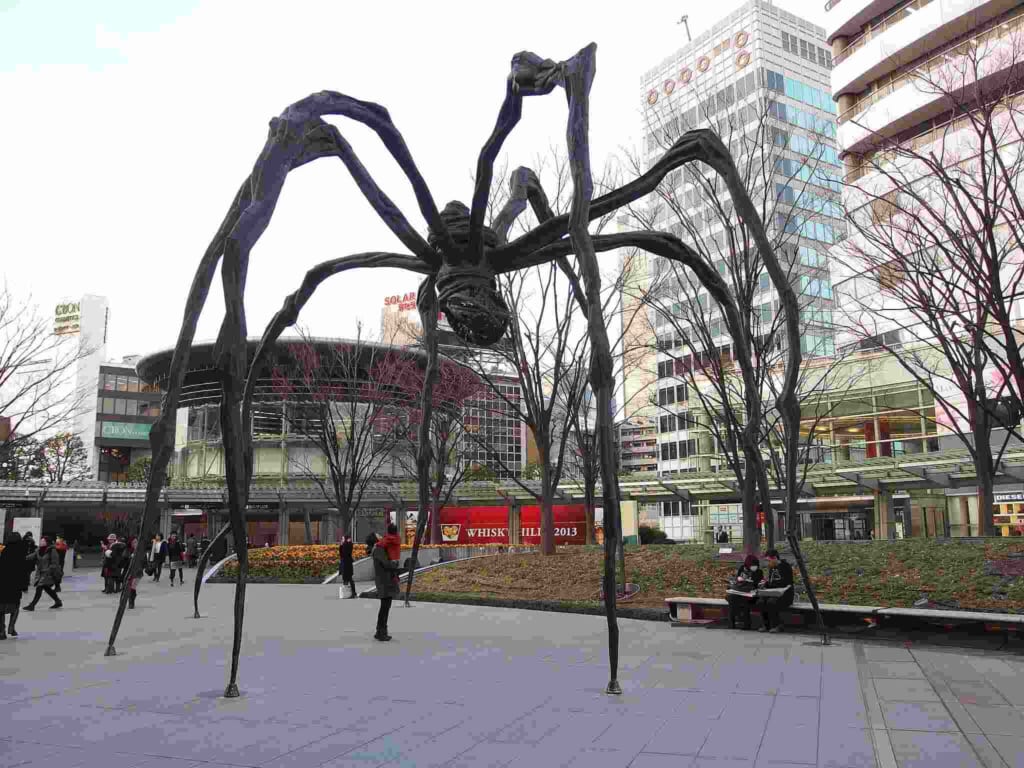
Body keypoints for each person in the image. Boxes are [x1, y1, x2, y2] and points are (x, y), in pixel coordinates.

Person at [371, 524, 408, 641]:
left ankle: (381, 630)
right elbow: (387, 564)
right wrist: (395, 565)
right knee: (385, 608)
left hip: (385, 581)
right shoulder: (379, 550)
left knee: (385, 607)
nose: (382, 538)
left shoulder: (381, 549)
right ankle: (381, 631)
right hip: (384, 581)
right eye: (379, 537)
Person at [758, 549, 794, 634]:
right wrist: (764, 585)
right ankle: (766, 625)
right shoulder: (772, 568)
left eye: (769, 560)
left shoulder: (785, 566)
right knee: (761, 601)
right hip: (773, 593)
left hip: (785, 594)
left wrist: (775, 586)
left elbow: (788, 583)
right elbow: (771, 582)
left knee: (771, 602)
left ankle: (777, 625)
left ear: (775, 558)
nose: (768, 562)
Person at [23, 536, 62, 611]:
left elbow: (55, 563)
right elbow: (32, 556)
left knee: (39, 587)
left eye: (43, 541)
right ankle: (58, 601)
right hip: (41, 573)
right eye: (41, 541)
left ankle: (32, 605)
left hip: (48, 574)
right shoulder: (39, 550)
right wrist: (23, 558)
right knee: (46, 588)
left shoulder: (52, 550)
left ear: (47, 542)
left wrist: (48, 570)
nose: (41, 542)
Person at [0, 532, 25, 638]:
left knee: (1, 608)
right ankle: (12, 627)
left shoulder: (4, 551)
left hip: (3, 583)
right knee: (15, 605)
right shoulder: (21, 552)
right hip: (15, 584)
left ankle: (1, 631)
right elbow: (23, 571)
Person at [726, 554, 761, 631]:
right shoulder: (742, 568)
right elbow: (738, 580)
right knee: (731, 598)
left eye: (755, 565)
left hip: (751, 593)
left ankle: (746, 623)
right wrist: (739, 579)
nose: (754, 567)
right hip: (740, 590)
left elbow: (757, 583)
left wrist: (750, 580)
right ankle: (731, 622)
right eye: (752, 565)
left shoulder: (758, 571)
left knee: (745, 601)